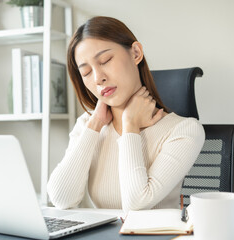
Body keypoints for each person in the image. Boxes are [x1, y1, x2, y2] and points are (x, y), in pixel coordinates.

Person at [47, 16, 205, 212]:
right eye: (86, 73)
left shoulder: (184, 130)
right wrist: (95, 124)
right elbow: (61, 199)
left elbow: (136, 205)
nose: (98, 78)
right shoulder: (88, 125)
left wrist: (130, 126)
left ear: (136, 53)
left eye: (105, 60)